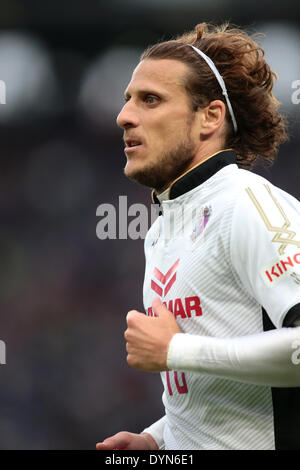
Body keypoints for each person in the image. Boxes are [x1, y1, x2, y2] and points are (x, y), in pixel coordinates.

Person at [96, 22, 300, 450]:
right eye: (127, 100)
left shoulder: (249, 206)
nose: (124, 116)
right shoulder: (161, 231)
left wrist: (176, 351)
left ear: (210, 117)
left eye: (150, 100)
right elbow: (228, 386)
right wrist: (159, 438)